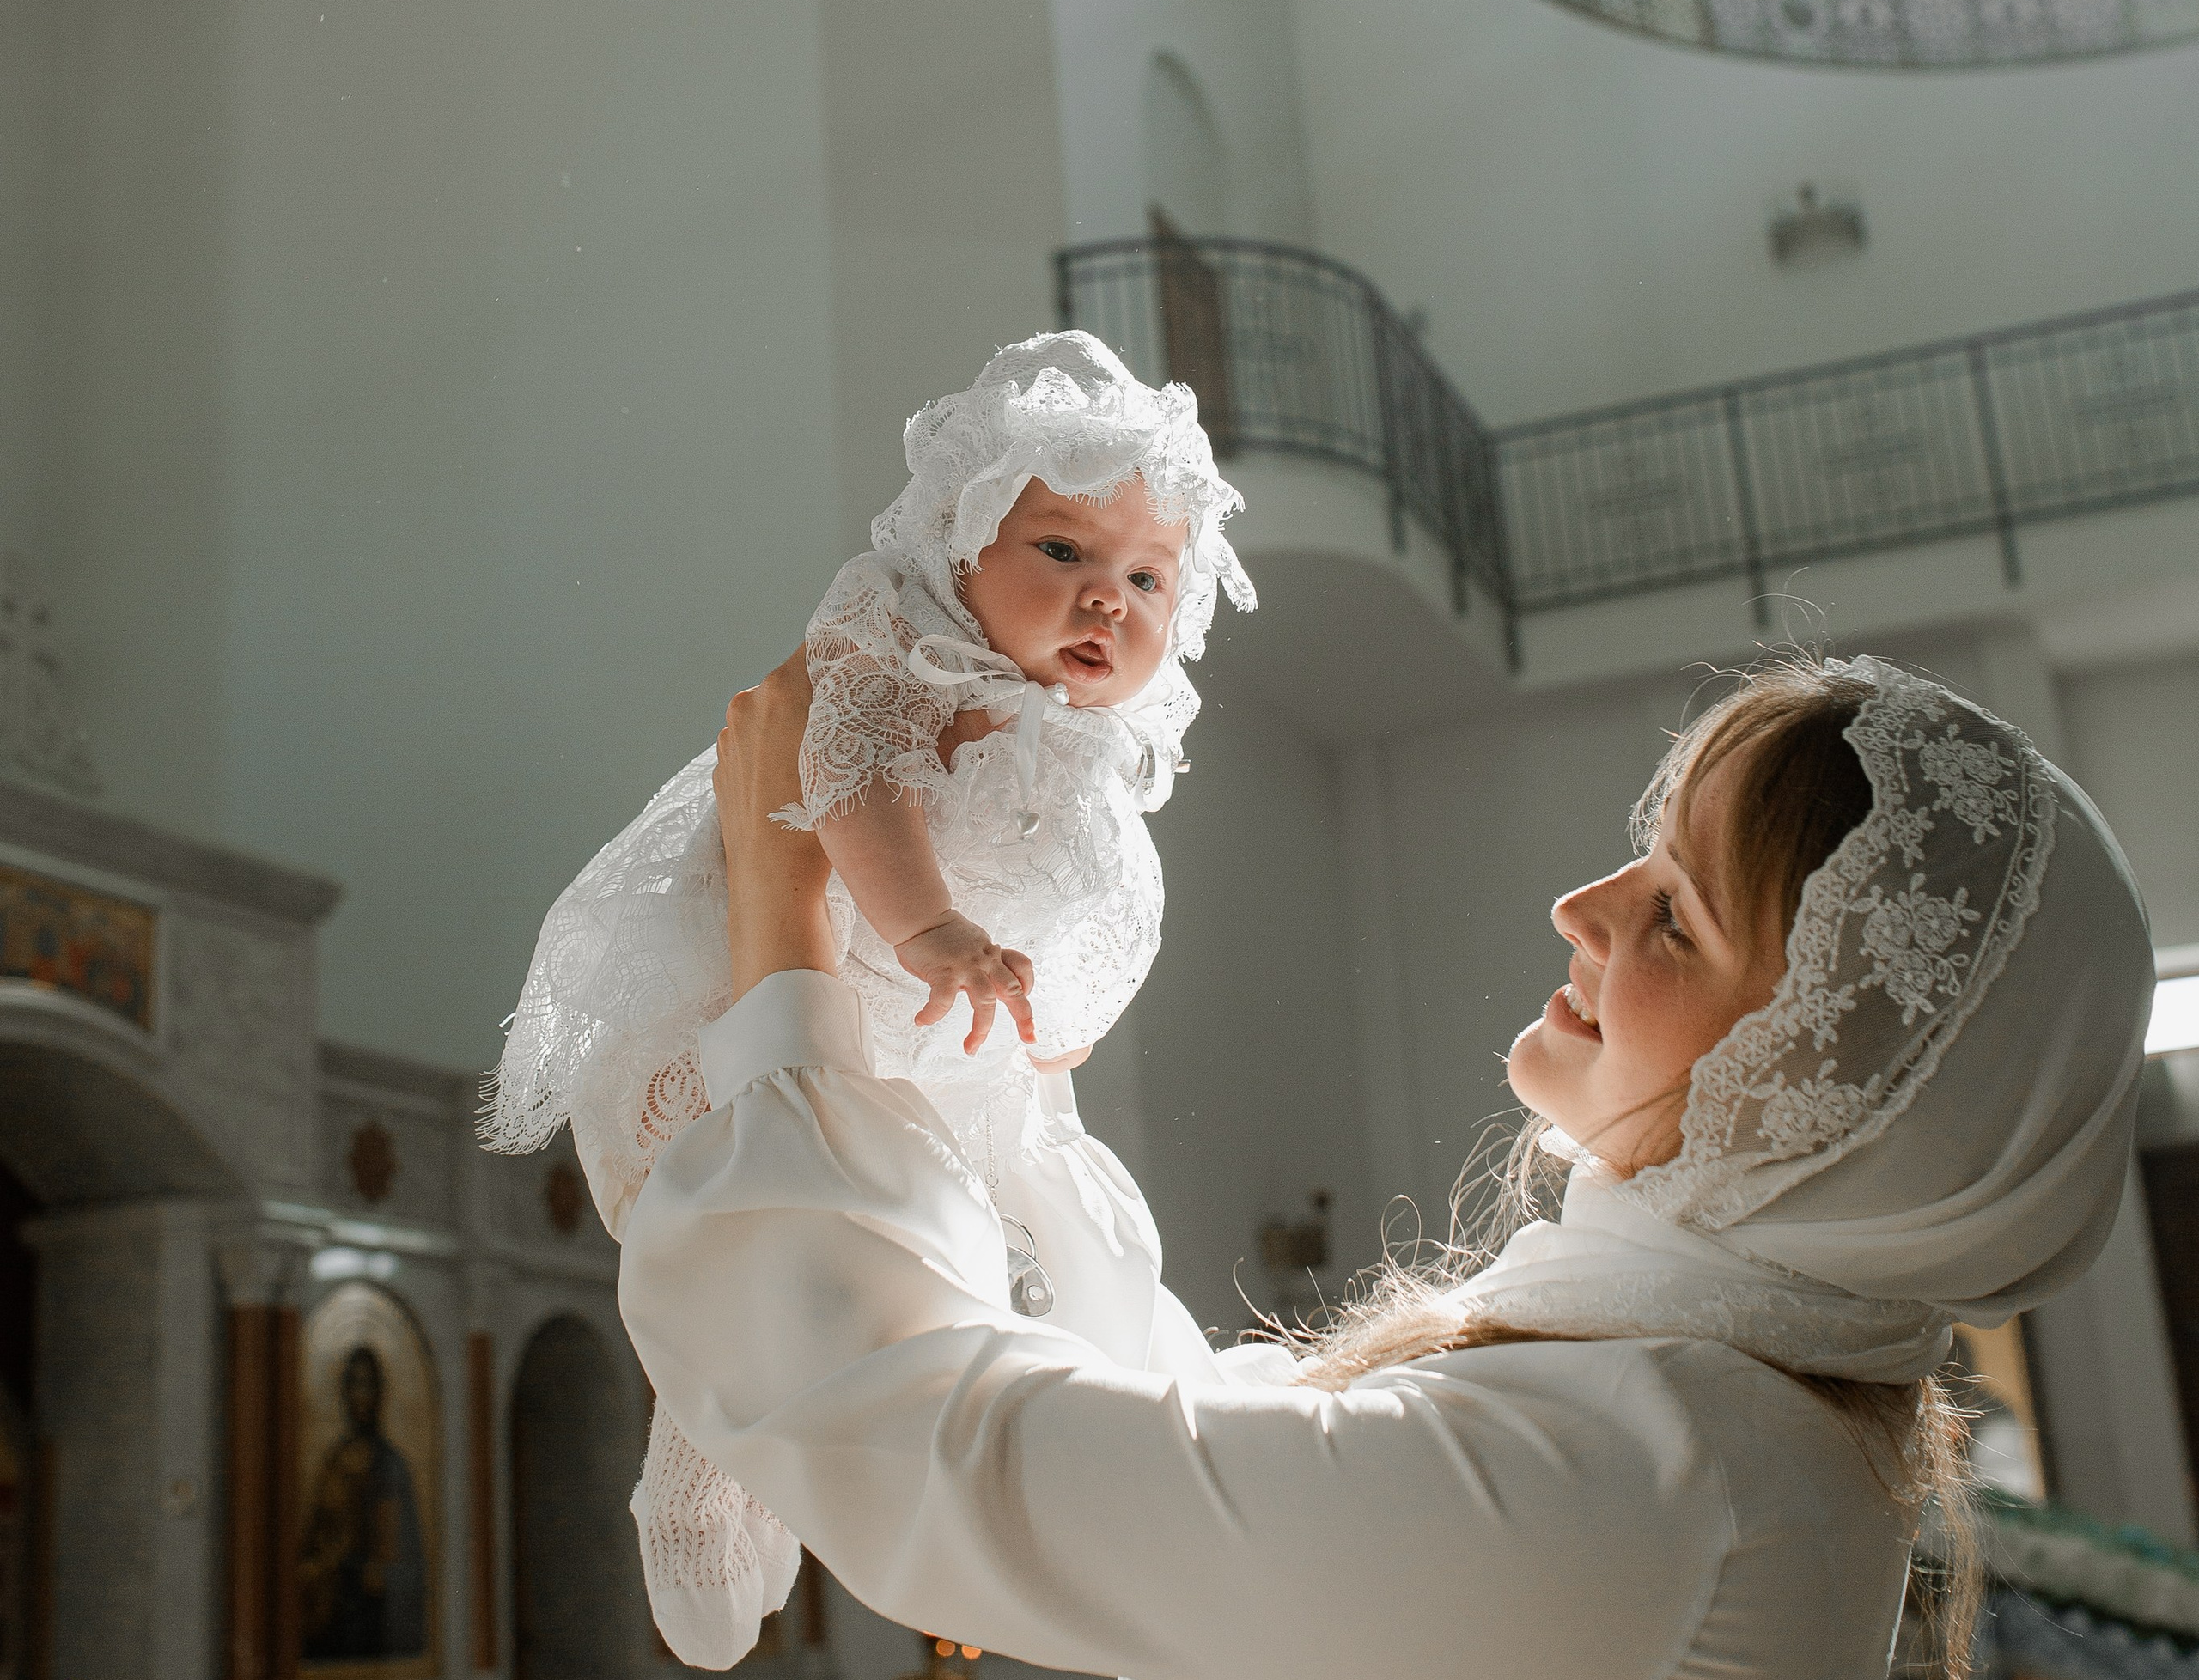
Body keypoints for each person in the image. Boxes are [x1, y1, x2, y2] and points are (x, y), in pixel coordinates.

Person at [618, 652, 2153, 1679]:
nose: (1582, 903)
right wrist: (1008, 1104)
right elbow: (1215, 1450)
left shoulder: (1661, 1481)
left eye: (1678, 912)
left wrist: (785, 921)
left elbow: (958, 1460)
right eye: (1645, 846)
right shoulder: (1710, 1417)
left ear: (1833, 1097)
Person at [485, 331, 1254, 1664]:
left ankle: (979, 1519)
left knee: (973, 1268)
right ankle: (705, 1465)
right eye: (1060, 552)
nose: (1103, 601)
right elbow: (847, 782)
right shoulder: (904, 643)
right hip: (822, 981)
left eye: (1145, 577)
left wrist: (1065, 996)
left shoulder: (1090, 745)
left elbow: (1093, 895)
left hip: (949, 1053)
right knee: (775, 1257)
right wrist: (935, 925)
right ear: (958, 549)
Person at [298, 1346, 428, 1660]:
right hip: (331, 1615)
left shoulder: (391, 1465)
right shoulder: (334, 1462)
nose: (360, 1395)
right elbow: (313, 1545)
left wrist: (376, 1573)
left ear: (380, 1393)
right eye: (353, 1384)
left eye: (368, 1384)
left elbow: (408, 1563)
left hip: (374, 1619)